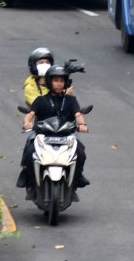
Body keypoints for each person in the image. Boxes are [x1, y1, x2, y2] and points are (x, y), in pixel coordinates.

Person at [18, 66, 88, 197]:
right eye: (56, 80)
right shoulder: (40, 100)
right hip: (43, 133)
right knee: (29, 149)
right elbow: (30, 114)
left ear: (65, 83)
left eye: (61, 81)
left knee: (81, 152)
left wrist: (82, 124)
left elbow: (78, 114)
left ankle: (77, 178)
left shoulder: (71, 100)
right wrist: (27, 122)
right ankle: (27, 178)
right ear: (50, 82)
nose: (59, 84)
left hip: (67, 134)